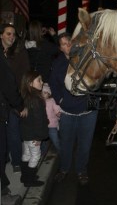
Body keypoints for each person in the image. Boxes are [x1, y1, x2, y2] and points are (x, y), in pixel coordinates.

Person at [49, 32, 98, 186]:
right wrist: (60, 100)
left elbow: (98, 78)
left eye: (69, 42)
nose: (67, 46)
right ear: (60, 48)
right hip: (67, 111)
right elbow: (53, 84)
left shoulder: (87, 59)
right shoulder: (58, 63)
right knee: (66, 143)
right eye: (63, 44)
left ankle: (81, 170)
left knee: (85, 144)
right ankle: (64, 168)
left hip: (87, 111)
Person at [0, 30, 27, 204]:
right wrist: (20, 106)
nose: (12, 37)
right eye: (8, 34)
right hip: (4, 107)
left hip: (6, 105)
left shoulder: (13, 54)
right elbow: (9, 85)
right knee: (2, 151)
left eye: (13, 34)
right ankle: (3, 192)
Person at [19, 70, 48, 187]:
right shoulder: (36, 100)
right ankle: (29, 180)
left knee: (26, 154)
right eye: (39, 80)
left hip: (26, 133)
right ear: (30, 83)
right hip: (33, 135)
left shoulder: (26, 96)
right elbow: (39, 121)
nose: (42, 82)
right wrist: (40, 137)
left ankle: (24, 176)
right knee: (35, 156)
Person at [42, 83, 61, 153]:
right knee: (43, 141)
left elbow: (57, 109)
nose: (43, 95)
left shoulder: (52, 101)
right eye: (41, 93)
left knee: (55, 140)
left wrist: (58, 113)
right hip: (43, 126)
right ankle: (43, 153)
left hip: (52, 125)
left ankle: (61, 151)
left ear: (49, 94)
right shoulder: (39, 101)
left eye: (45, 93)